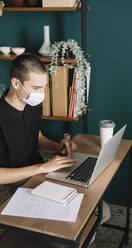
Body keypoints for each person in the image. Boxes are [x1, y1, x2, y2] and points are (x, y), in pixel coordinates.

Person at [0, 53, 77, 204]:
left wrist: (58, 147)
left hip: (35, 171)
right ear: (16, 83)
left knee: (86, 203)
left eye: (44, 87)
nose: (41, 94)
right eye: (36, 88)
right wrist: (41, 168)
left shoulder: (31, 105)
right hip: (7, 184)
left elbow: (37, 138)